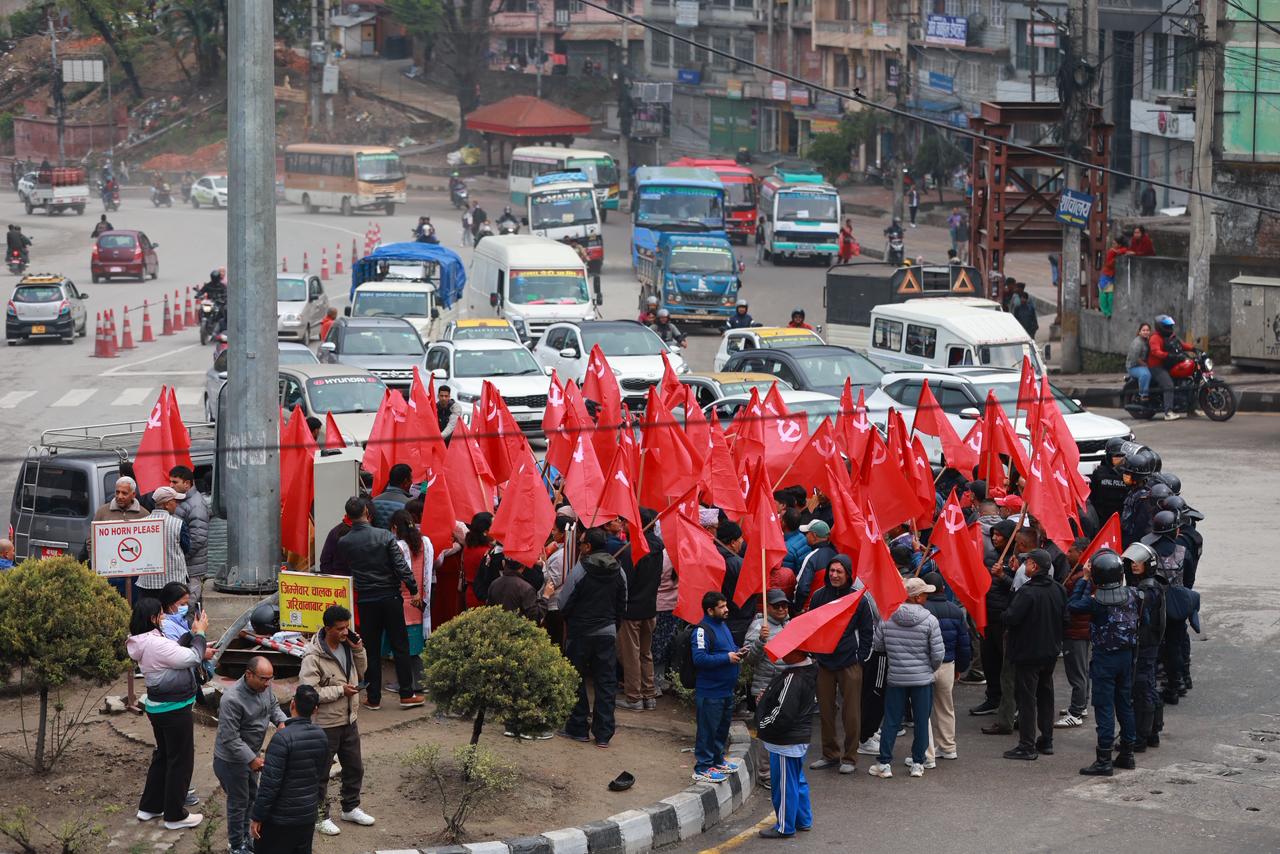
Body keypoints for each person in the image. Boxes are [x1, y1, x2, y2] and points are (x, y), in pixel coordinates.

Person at [335, 496, 424, 709]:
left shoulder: (344, 542)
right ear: (367, 511)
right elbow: (401, 566)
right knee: (400, 645)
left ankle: (373, 697)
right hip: (390, 596)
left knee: (371, 649)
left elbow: (349, 567)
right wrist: (413, 590)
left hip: (366, 599)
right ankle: (406, 693)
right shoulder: (384, 535)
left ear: (348, 516)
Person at [128, 597, 208, 830]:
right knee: (180, 760)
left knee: (163, 756)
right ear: (153, 618)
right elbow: (192, 657)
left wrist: (193, 637)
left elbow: (175, 653)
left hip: (159, 707)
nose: (164, 618)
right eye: (161, 615)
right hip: (174, 708)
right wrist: (200, 634)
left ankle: (150, 807)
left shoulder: (143, 641)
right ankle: (175, 815)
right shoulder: (155, 644)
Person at [299, 604, 371, 837]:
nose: (345, 632)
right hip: (326, 724)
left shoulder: (348, 645)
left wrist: (358, 649)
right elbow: (308, 692)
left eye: (347, 627)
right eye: (340, 628)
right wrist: (341, 691)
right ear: (327, 628)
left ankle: (350, 807)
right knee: (321, 773)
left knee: (354, 767)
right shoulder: (313, 657)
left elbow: (362, 673)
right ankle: (320, 816)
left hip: (349, 719)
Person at [1068, 549, 1139, 776]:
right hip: (1127, 657)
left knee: (1105, 707)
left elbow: (1073, 605)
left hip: (1104, 659)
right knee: (1125, 704)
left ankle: (1104, 760)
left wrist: (1085, 579)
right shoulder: (1134, 595)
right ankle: (1127, 753)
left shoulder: (1095, 602)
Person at [557, 526, 627, 748]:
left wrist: (572, 620)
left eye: (581, 543)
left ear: (588, 546)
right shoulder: (619, 571)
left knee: (575, 679)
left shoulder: (580, 570)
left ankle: (578, 728)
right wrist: (612, 626)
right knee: (606, 683)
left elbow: (563, 602)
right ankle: (604, 733)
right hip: (606, 633)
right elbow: (622, 604)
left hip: (579, 633)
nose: (579, 547)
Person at [868, 577, 944, 779]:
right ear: (917, 597)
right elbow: (938, 655)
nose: (927, 596)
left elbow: (878, 646)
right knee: (921, 721)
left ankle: (884, 763)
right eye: (925, 593)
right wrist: (928, 668)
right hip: (922, 679)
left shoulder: (887, 617)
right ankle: (918, 763)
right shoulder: (930, 620)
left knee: (891, 721)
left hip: (896, 678)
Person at [213, 656, 288, 854]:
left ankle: (247, 837)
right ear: (249, 675)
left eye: (270, 678)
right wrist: (251, 759)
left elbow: (273, 707)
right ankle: (236, 845)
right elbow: (229, 738)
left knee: (252, 798)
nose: (268, 683)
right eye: (263, 679)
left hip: (252, 756)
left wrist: (282, 722)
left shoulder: (264, 687)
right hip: (231, 760)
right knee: (239, 802)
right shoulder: (232, 699)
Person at [808, 555, 875, 775]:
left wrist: (860, 657)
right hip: (824, 662)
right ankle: (830, 754)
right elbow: (811, 625)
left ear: (847, 574)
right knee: (826, 711)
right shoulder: (819, 596)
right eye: (832, 571)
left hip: (849, 662)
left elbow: (868, 632)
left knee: (851, 712)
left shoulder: (859, 599)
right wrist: (815, 653)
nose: (834, 575)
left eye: (839, 571)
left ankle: (850, 757)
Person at [1000, 548, 1067, 760]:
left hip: (1028, 653)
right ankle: (1046, 740)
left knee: (1027, 699)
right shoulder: (1058, 589)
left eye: (1026, 563)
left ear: (1034, 566)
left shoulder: (1027, 592)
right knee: (1046, 695)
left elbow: (1010, 617)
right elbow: (1066, 619)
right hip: (1050, 652)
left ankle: (1027, 745)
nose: (1024, 567)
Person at [250, 684, 329, 854]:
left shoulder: (282, 738)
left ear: (292, 704)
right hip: (307, 815)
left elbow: (269, 785)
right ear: (315, 710)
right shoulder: (321, 735)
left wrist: (257, 816)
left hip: (280, 819)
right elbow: (321, 773)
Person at [754, 649, 817, 839]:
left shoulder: (794, 678)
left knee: (783, 785)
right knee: (796, 780)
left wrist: (762, 724)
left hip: (785, 741)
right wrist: (768, 698)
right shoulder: (809, 671)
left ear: (798, 653)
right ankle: (803, 819)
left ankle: (784, 826)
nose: (783, 654)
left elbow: (782, 715)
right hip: (798, 738)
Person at [691, 591, 743, 784]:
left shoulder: (723, 626)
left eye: (726, 605)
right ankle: (702, 767)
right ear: (710, 610)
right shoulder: (702, 630)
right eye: (721, 607)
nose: (726, 609)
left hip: (726, 690)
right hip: (710, 691)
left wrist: (738, 651)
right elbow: (700, 658)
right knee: (708, 731)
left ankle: (717, 760)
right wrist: (727, 658)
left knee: (721, 729)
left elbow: (728, 648)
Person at [920, 570, 971, 765]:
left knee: (922, 709)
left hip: (925, 666)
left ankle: (926, 753)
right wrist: (961, 666)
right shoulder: (956, 611)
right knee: (946, 707)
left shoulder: (922, 610)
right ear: (942, 588)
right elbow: (964, 643)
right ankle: (948, 747)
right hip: (948, 665)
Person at [746, 589, 793, 788]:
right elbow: (749, 659)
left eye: (784, 605)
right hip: (765, 687)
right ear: (768, 607)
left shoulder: (791, 625)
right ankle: (765, 773)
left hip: (788, 686)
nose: (781, 609)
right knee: (767, 731)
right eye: (777, 606)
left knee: (785, 731)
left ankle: (781, 770)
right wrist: (760, 641)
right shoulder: (759, 627)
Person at [1123, 541, 1166, 752]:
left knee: (1142, 689)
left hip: (1145, 645)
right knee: (1147, 686)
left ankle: (1141, 737)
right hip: (1149, 644)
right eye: (1132, 562)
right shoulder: (1151, 585)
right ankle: (1153, 732)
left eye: (1139, 562)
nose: (1134, 565)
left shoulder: (1146, 590)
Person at [617, 521, 664, 712]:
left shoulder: (633, 550)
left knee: (631, 654)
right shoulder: (659, 548)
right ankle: (649, 694)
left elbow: (626, 582)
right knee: (646, 653)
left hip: (632, 610)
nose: (623, 524)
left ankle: (634, 697)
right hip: (650, 608)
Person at [389, 509, 433, 693]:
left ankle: (405, 684)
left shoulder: (397, 546)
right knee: (416, 647)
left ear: (394, 528)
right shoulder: (425, 543)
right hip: (421, 601)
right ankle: (421, 682)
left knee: (403, 647)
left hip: (403, 601)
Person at [1055, 537, 1093, 730]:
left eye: (1071, 551)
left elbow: (1075, 603)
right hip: (1080, 630)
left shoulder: (1082, 578)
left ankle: (1076, 712)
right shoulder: (1079, 574)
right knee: (1082, 671)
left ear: (1081, 553)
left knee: (1077, 673)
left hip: (1076, 631)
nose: (1067, 554)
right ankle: (1081, 705)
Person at [138, 486, 190, 600]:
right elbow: (186, 548)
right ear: (166, 504)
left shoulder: (141, 523)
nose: (176, 504)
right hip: (174, 582)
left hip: (147, 583)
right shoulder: (178, 524)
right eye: (174, 501)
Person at [168, 466, 208, 604]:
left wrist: (180, 556)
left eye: (175, 482)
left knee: (189, 605)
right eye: (170, 482)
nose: (171, 485)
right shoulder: (181, 500)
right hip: (185, 566)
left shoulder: (196, 504)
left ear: (187, 483)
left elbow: (198, 538)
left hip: (192, 568)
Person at [1146, 314, 1184, 421]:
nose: (1170, 328)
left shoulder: (1169, 336)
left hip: (1168, 364)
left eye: (1170, 326)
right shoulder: (1155, 338)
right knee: (1168, 385)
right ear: (1160, 327)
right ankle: (1168, 412)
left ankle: (1191, 409)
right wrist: (1168, 355)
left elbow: (1181, 345)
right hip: (1156, 367)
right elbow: (1155, 351)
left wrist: (1194, 349)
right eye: (1167, 326)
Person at [793, 520, 837, 607]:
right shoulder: (836, 554)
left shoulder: (811, 558)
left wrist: (797, 608)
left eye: (807, 533)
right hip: (832, 607)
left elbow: (802, 589)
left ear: (814, 535)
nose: (805, 536)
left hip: (812, 608)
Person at [1089, 438, 1130, 527]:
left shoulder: (1129, 474)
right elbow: (1092, 497)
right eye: (1116, 456)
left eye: (1122, 456)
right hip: (1102, 520)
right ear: (1108, 456)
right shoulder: (1099, 473)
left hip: (1122, 519)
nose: (1120, 460)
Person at [370, 463, 413, 529]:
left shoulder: (373, 501)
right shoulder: (409, 504)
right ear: (406, 481)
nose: (412, 482)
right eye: (411, 479)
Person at [1098, 234, 1129, 318]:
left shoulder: (1117, 250)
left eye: (1115, 244)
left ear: (1119, 245)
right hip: (1106, 275)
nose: (1113, 245)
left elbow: (1124, 250)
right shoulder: (1112, 251)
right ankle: (1106, 312)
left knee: (1110, 296)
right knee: (1104, 295)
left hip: (1111, 276)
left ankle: (1109, 312)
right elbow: (1110, 262)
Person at [1126, 322, 1153, 401]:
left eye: (1147, 330)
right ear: (1139, 332)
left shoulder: (1147, 340)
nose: (1146, 332)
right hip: (1133, 366)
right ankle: (1143, 395)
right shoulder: (1137, 343)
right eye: (1143, 330)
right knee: (1146, 374)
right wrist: (1146, 365)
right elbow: (1135, 359)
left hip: (1142, 364)